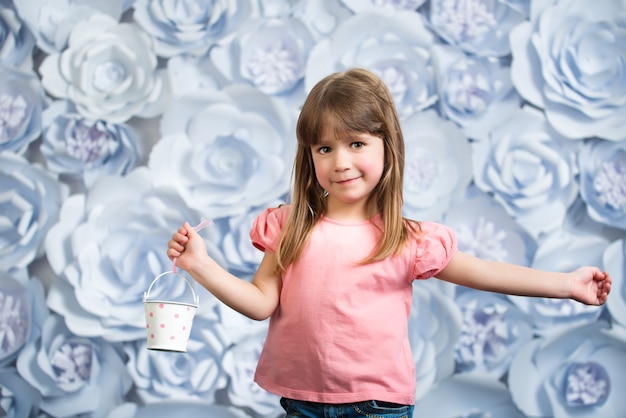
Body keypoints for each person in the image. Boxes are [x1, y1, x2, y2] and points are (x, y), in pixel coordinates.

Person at [167, 68, 612, 418]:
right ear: (309, 155)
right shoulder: (289, 227)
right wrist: (201, 265)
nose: (340, 162)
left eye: (356, 143)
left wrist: (565, 284)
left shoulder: (406, 240)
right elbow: (261, 302)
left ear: (387, 147)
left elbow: (486, 273)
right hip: (301, 404)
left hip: (377, 408)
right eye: (324, 149)